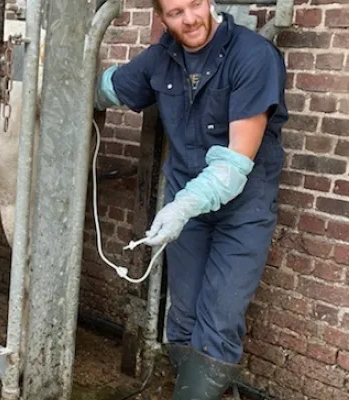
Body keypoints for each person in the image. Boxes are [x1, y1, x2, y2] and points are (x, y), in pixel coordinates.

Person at [95, 0, 288, 398]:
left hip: (242, 210)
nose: (189, 19)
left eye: (195, 4)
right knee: (181, 318)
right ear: (161, 19)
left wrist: (181, 206)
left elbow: (235, 164)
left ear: (210, 2)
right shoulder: (161, 58)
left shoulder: (253, 56)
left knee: (219, 318)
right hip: (189, 206)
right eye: (175, 12)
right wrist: (56, 79)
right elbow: (109, 87)